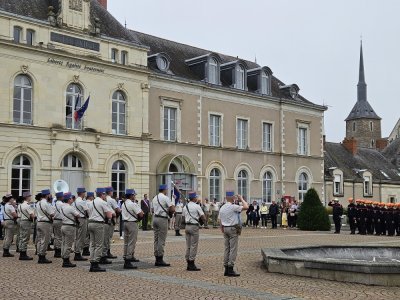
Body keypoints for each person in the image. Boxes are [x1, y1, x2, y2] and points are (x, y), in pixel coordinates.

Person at [219, 192, 248, 277]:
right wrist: (241, 198)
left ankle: (226, 268)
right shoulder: (233, 207)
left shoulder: (222, 207)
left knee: (227, 248)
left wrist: (222, 228)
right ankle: (230, 268)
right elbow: (246, 207)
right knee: (233, 249)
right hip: (232, 228)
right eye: (234, 197)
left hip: (225, 228)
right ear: (232, 198)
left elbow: (220, 219)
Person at [88, 188, 113, 272]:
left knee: (92, 244)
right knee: (99, 244)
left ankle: (92, 261)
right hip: (98, 224)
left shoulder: (91, 202)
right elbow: (109, 216)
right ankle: (95, 263)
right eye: (104, 194)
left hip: (90, 223)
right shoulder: (103, 202)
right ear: (102, 194)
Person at [152, 184, 175, 267]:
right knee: (162, 239)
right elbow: (172, 209)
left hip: (155, 218)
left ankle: (156, 257)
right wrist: (170, 213)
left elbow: (152, 209)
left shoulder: (154, 198)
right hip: (162, 219)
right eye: (166, 190)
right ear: (164, 190)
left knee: (156, 239)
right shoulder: (165, 198)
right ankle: (160, 259)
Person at [183, 192, 205, 271]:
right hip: (194, 226)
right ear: (194, 198)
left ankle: (188, 261)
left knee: (188, 245)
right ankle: (191, 263)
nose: (197, 198)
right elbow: (203, 217)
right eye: (196, 197)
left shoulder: (185, 206)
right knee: (194, 245)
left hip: (187, 226)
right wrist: (202, 223)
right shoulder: (197, 206)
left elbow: (183, 217)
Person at [122, 189, 144, 269]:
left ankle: (125, 256)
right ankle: (128, 259)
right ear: (131, 195)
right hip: (132, 223)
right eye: (134, 195)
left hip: (125, 223)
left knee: (126, 242)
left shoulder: (123, 204)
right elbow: (141, 214)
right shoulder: (132, 204)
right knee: (131, 242)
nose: (135, 196)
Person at [60, 192, 80, 268]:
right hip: (69, 227)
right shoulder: (70, 207)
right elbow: (78, 215)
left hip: (63, 225)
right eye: (71, 198)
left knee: (64, 243)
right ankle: (66, 260)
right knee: (68, 244)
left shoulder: (61, 207)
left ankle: (63, 257)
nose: (72, 199)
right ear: (69, 199)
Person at [36, 189, 55, 263]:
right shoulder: (46, 204)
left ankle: (39, 254)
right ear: (47, 195)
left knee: (40, 240)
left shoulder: (38, 203)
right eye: (49, 194)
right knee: (45, 240)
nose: (50, 196)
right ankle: (42, 256)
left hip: (39, 222)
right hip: (45, 223)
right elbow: (52, 214)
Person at [104, 186, 119, 260]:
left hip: (104, 220)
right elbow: (118, 210)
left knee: (105, 237)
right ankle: (107, 252)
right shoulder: (111, 200)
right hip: (111, 219)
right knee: (109, 237)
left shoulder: (103, 199)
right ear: (110, 192)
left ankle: (105, 251)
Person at [73, 187, 89, 261]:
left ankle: (77, 252)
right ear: (82, 193)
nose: (85, 194)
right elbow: (87, 211)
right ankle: (78, 253)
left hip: (76, 219)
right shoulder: (82, 202)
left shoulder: (75, 201)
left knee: (77, 237)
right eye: (84, 193)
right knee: (81, 237)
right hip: (82, 219)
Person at [18, 192, 35, 261]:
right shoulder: (27, 206)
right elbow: (32, 215)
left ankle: (21, 252)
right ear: (27, 197)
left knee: (22, 237)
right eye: (30, 196)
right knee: (25, 238)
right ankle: (23, 254)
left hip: (21, 221)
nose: (30, 197)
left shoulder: (20, 205)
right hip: (26, 222)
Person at [52, 192, 64, 258]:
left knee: (56, 236)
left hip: (55, 220)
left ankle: (56, 249)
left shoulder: (55, 204)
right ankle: (58, 251)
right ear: (61, 197)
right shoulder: (62, 204)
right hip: (60, 221)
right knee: (60, 236)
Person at [82, 192, 94, 256]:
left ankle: (85, 248)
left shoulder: (84, 202)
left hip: (85, 219)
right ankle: (86, 249)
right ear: (90, 197)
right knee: (88, 235)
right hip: (89, 219)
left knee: (85, 234)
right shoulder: (91, 203)